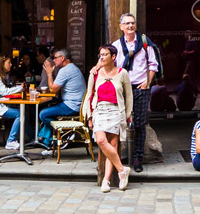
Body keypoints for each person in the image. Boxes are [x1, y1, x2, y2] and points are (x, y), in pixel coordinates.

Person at [112, 13, 158, 174]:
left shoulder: (145, 44)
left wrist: (148, 82)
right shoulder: (116, 46)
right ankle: (120, 155)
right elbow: (110, 65)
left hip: (140, 87)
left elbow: (153, 64)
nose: (130, 26)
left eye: (132, 23)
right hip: (123, 89)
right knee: (119, 122)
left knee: (139, 123)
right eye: (127, 23)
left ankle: (138, 157)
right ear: (121, 26)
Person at [84, 45, 133, 191]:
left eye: (105, 55)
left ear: (113, 57)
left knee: (113, 144)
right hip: (100, 110)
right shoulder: (95, 73)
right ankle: (122, 170)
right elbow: (89, 95)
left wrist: (128, 114)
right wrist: (89, 115)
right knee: (100, 140)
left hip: (116, 111)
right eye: (100, 55)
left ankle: (106, 180)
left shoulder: (122, 73)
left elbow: (129, 96)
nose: (102, 57)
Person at [32, 48, 84, 150]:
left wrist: (49, 73)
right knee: (48, 109)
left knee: (43, 114)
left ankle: (61, 134)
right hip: (76, 104)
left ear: (62, 58)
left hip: (72, 106)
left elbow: (52, 89)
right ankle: (47, 138)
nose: (54, 61)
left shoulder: (65, 70)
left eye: (55, 58)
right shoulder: (72, 68)